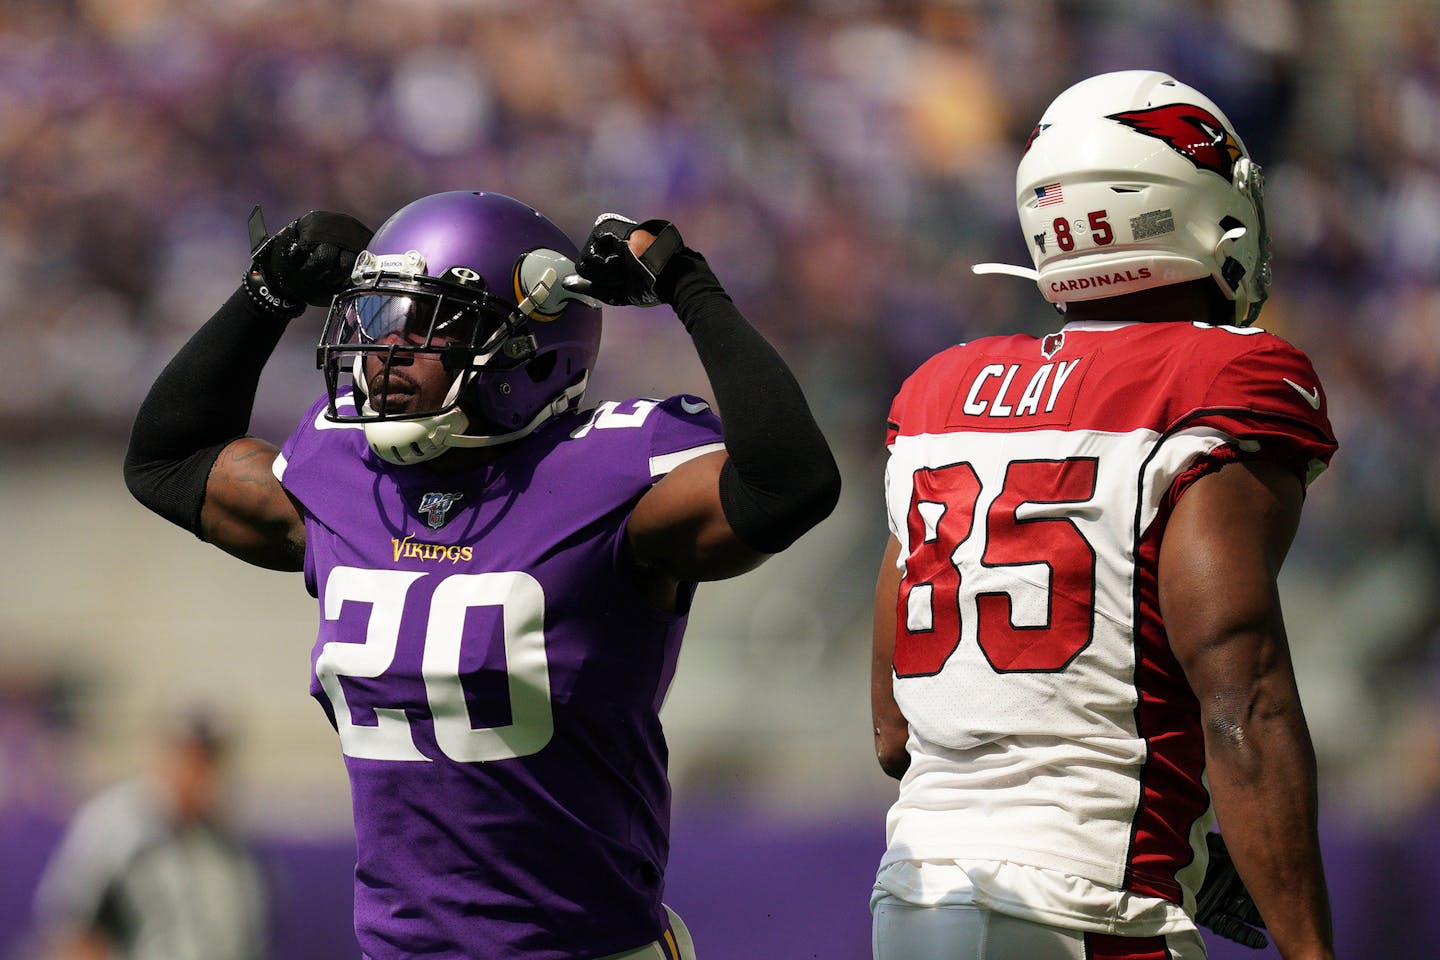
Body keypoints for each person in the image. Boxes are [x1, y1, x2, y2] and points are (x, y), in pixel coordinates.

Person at [123, 190, 840, 960]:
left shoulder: (606, 470)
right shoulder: (342, 468)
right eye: (374, 321)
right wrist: (266, 293)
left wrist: (689, 288)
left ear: (525, 344)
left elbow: (787, 485)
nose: (380, 355)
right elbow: (167, 461)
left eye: (422, 327)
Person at [869, 71, 1336, 960]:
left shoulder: (938, 388)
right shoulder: (1218, 377)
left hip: (914, 896)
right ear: (1197, 210)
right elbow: (1245, 698)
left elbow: (895, 729)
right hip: (1091, 906)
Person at [31, 711, 268, 960]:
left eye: (209, 759)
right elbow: (72, 932)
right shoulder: (115, 825)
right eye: (189, 756)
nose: (197, 771)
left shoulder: (232, 842)